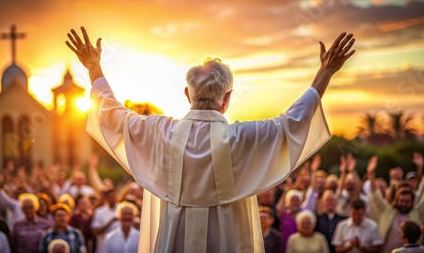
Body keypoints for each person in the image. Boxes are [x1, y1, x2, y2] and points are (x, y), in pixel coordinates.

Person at [66, 27, 356, 252]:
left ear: (187, 94)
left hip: (175, 236)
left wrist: (93, 67)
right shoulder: (242, 138)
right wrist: (325, 72)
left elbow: (112, 114)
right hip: (228, 237)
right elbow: (293, 121)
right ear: (227, 99)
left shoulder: (159, 132)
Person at [367, 156, 424, 252]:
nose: (403, 204)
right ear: (396, 200)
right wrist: (371, 174)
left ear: (412, 202)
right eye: (401, 201)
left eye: (407, 202)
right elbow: (375, 195)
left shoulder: (418, 212)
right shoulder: (387, 211)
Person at [91, 187, 119, 252]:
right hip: (103, 249)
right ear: (106, 198)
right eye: (111, 197)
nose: (113, 198)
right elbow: (95, 232)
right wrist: (111, 222)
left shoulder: (121, 209)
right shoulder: (99, 212)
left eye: (114, 196)